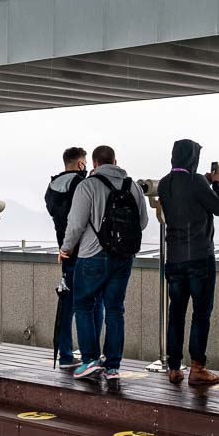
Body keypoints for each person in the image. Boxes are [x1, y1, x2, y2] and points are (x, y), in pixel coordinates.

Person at [60, 145, 148, 382]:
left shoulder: (87, 186)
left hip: (92, 256)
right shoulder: (133, 186)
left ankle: (89, 359)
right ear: (116, 161)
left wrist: (66, 248)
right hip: (123, 258)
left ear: (95, 164)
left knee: (84, 305)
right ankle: (113, 366)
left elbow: (76, 223)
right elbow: (143, 222)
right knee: (115, 310)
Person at [157, 139, 219, 386]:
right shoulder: (197, 182)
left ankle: (174, 367)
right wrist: (216, 184)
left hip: (174, 259)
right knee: (201, 313)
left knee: (176, 313)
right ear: (193, 158)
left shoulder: (165, 183)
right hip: (199, 258)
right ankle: (197, 367)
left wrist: (204, 181)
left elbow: (184, 196)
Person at [44, 146, 88, 369]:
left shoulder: (51, 187)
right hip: (86, 251)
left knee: (67, 304)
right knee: (91, 304)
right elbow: (82, 219)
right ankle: (91, 355)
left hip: (65, 250)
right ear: (80, 164)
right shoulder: (81, 184)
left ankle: (65, 355)